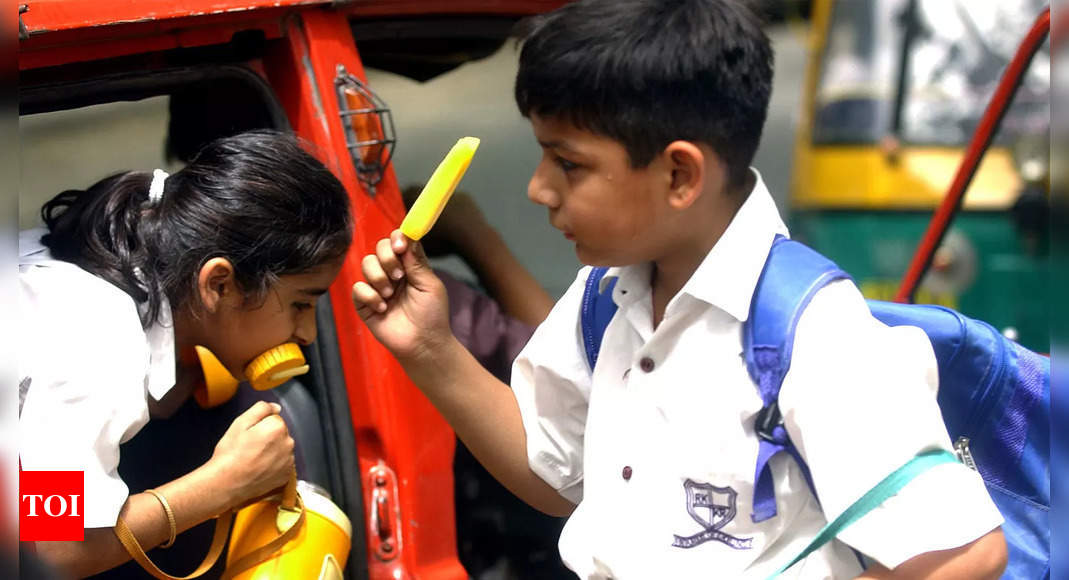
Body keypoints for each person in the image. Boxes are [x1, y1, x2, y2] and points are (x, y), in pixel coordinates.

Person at [352, 1, 1008, 578]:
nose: (538, 189)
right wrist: (431, 350)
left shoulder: (809, 331)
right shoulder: (600, 301)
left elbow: (959, 555)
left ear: (678, 175)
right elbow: (555, 478)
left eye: (568, 163)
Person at [19, 130, 353, 578]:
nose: (308, 332)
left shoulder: (116, 252)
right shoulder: (98, 339)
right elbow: (55, 547)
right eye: (300, 303)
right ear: (218, 284)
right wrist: (225, 483)